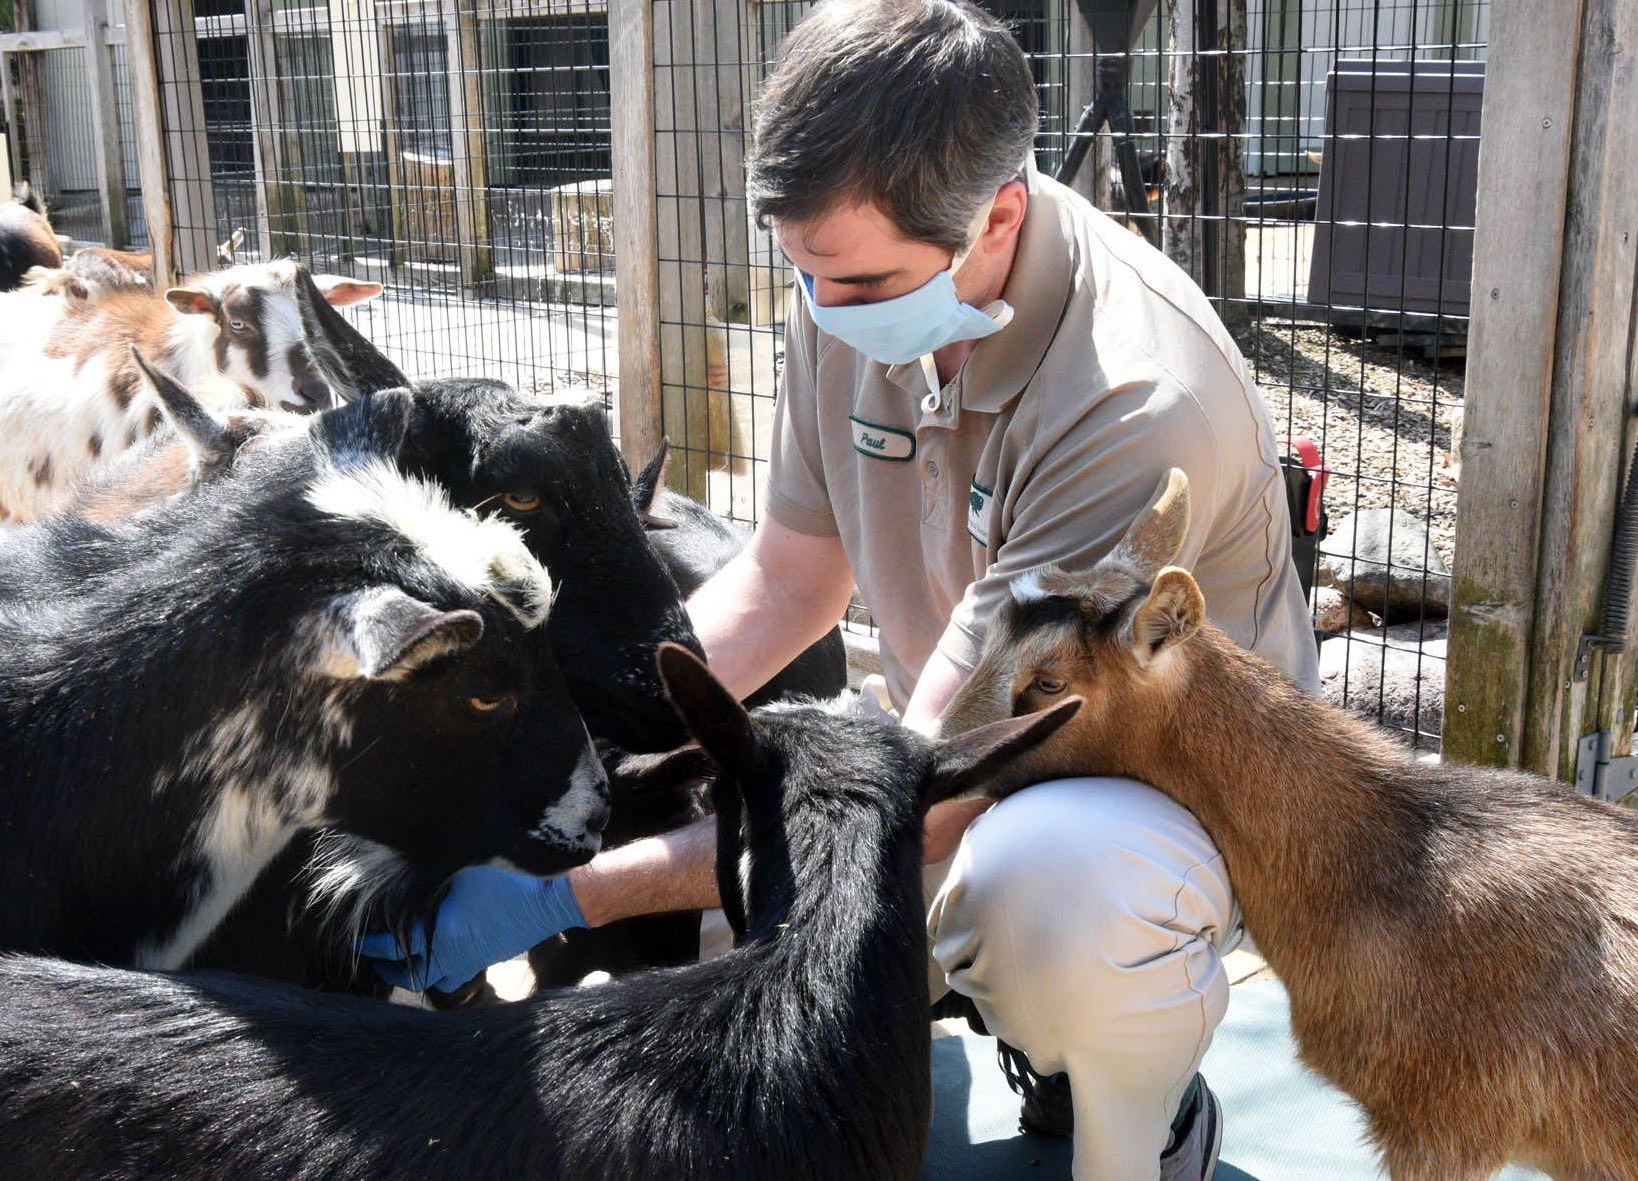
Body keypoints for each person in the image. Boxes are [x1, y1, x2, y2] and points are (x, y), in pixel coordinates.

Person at [364, 2, 1318, 1177]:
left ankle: (1140, 1106)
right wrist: (570, 776)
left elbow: (921, 793)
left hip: (1140, 808)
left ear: (997, 216)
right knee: (726, 927)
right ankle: (982, 995)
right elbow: (783, 584)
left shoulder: (1132, 404)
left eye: (856, 279)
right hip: (943, 747)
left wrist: (567, 896)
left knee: (1046, 899)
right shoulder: (861, 289)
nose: (825, 309)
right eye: (803, 270)